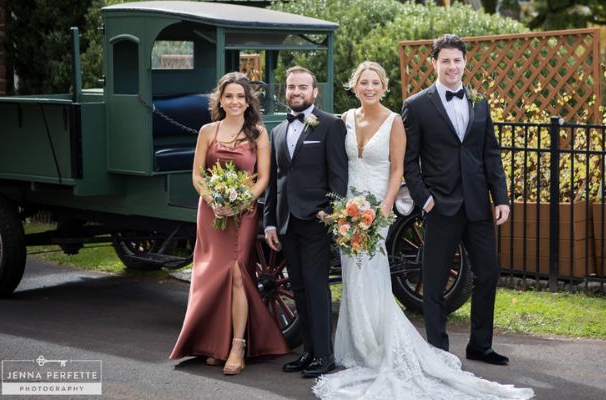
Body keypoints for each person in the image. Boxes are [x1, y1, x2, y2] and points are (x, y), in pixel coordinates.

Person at [312, 61, 533, 399]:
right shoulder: (343, 120)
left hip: (378, 207)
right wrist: (339, 208)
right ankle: (357, 346)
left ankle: (384, 344)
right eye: (363, 82)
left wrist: (384, 209)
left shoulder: (396, 120)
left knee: (371, 269)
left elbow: (401, 167)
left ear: (384, 87)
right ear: (353, 87)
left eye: (375, 82)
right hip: (348, 206)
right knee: (351, 273)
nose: (369, 88)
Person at [402, 34, 514, 364]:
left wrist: (502, 198)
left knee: (488, 274)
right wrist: (424, 199)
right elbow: (409, 160)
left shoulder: (479, 100)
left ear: (465, 62)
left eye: (457, 60)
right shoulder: (416, 105)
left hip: (478, 204)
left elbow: (490, 153)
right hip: (441, 206)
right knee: (434, 284)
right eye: (445, 60)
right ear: (434, 64)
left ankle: (480, 346)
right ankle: (438, 351)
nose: (452, 66)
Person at [170, 72, 288, 375]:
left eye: (240, 96)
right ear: (220, 100)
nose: (235, 102)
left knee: (237, 273)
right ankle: (216, 345)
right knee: (213, 275)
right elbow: (197, 175)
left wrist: (238, 201)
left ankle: (237, 346)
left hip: (243, 212)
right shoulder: (208, 131)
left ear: (248, 101)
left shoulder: (259, 133)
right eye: (229, 96)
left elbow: (263, 178)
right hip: (211, 212)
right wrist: (214, 199)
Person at [263, 66, 349, 378]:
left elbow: (339, 176)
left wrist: (332, 212)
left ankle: (325, 355)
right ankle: (309, 352)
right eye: (291, 87)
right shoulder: (277, 130)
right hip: (286, 222)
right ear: (285, 91)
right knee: (298, 288)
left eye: (302, 87)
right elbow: (275, 180)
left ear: (315, 92)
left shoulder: (331, 125)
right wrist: (269, 223)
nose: (296, 92)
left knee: (316, 288)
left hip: (316, 220)